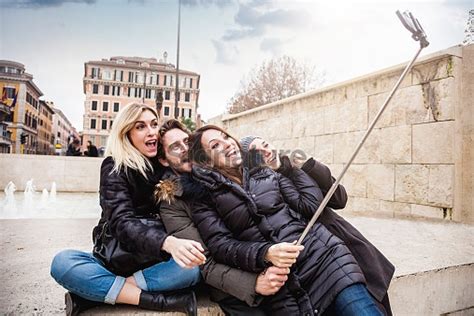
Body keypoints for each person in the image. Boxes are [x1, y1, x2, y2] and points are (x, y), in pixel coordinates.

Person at [187, 125, 384, 316]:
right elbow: (221, 245)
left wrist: (291, 167)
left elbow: (311, 206)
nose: (227, 144)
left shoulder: (265, 171)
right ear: (205, 160)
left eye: (227, 137)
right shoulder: (203, 197)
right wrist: (265, 253)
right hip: (283, 288)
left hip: (325, 260)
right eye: (215, 145)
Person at [50, 103, 202, 316]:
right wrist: (168, 242)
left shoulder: (166, 163)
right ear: (126, 133)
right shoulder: (114, 167)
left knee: (193, 268)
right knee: (62, 263)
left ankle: (95, 296)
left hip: (155, 262)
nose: (151, 132)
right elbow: (122, 223)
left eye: (154, 124)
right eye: (140, 126)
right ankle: (155, 301)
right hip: (116, 259)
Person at [240, 135, 394, 315]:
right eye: (256, 152)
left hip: (345, 250)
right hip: (311, 268)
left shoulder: (296, 168)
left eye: (265, 144)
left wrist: (309, 166)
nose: (266, 151)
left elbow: (339, 198)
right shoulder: (257, 191)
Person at [154, 119, 289, 315]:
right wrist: (253, 284)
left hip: (274, 261)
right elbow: (202, 260)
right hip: (236, 287)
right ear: (164, 160)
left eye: (187, 142)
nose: (185, 149)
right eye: (175, 147)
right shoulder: (173, 201)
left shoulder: (227, 170)